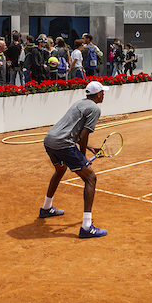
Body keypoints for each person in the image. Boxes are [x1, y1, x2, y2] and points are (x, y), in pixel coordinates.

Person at [40, 81, 108, 239]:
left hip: (50, 140)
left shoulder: (80, 103)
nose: (104, 95)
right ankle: (86, 227)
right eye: (102, 92)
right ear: (98, 95)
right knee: (91, 178)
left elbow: (75, 133)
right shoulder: (95, 109)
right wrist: (83, 158)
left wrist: (90, 148)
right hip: (64, 144)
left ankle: (46, 208)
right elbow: (83, 135)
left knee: (60, 170)